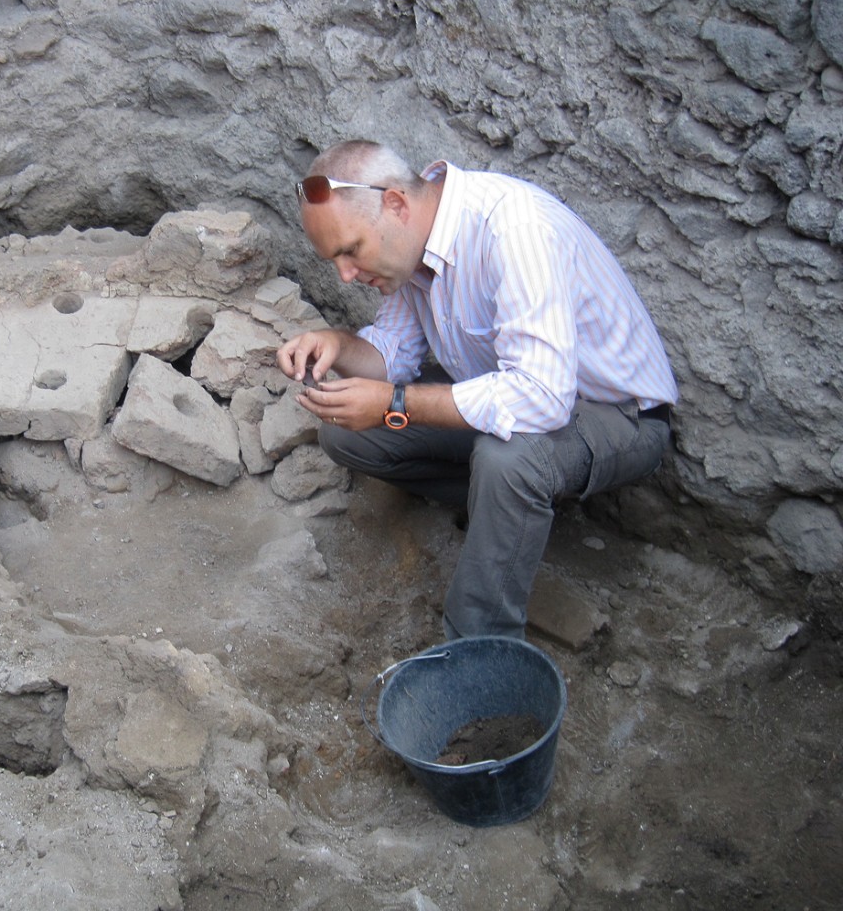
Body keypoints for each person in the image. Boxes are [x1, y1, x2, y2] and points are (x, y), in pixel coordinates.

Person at [277, 140, 677, 640]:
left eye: (350, 251)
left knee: (507, 461)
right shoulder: (411, 249)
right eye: (334, 260)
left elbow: (542, 398)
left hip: (618, 416)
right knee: (347, 436)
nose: (346, 275)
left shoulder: (513, 229)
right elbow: (390, 359)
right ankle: (506, 511)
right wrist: (336, 344)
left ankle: (477, 652)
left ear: (396, 204)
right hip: (515, 404)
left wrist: (395, 403)